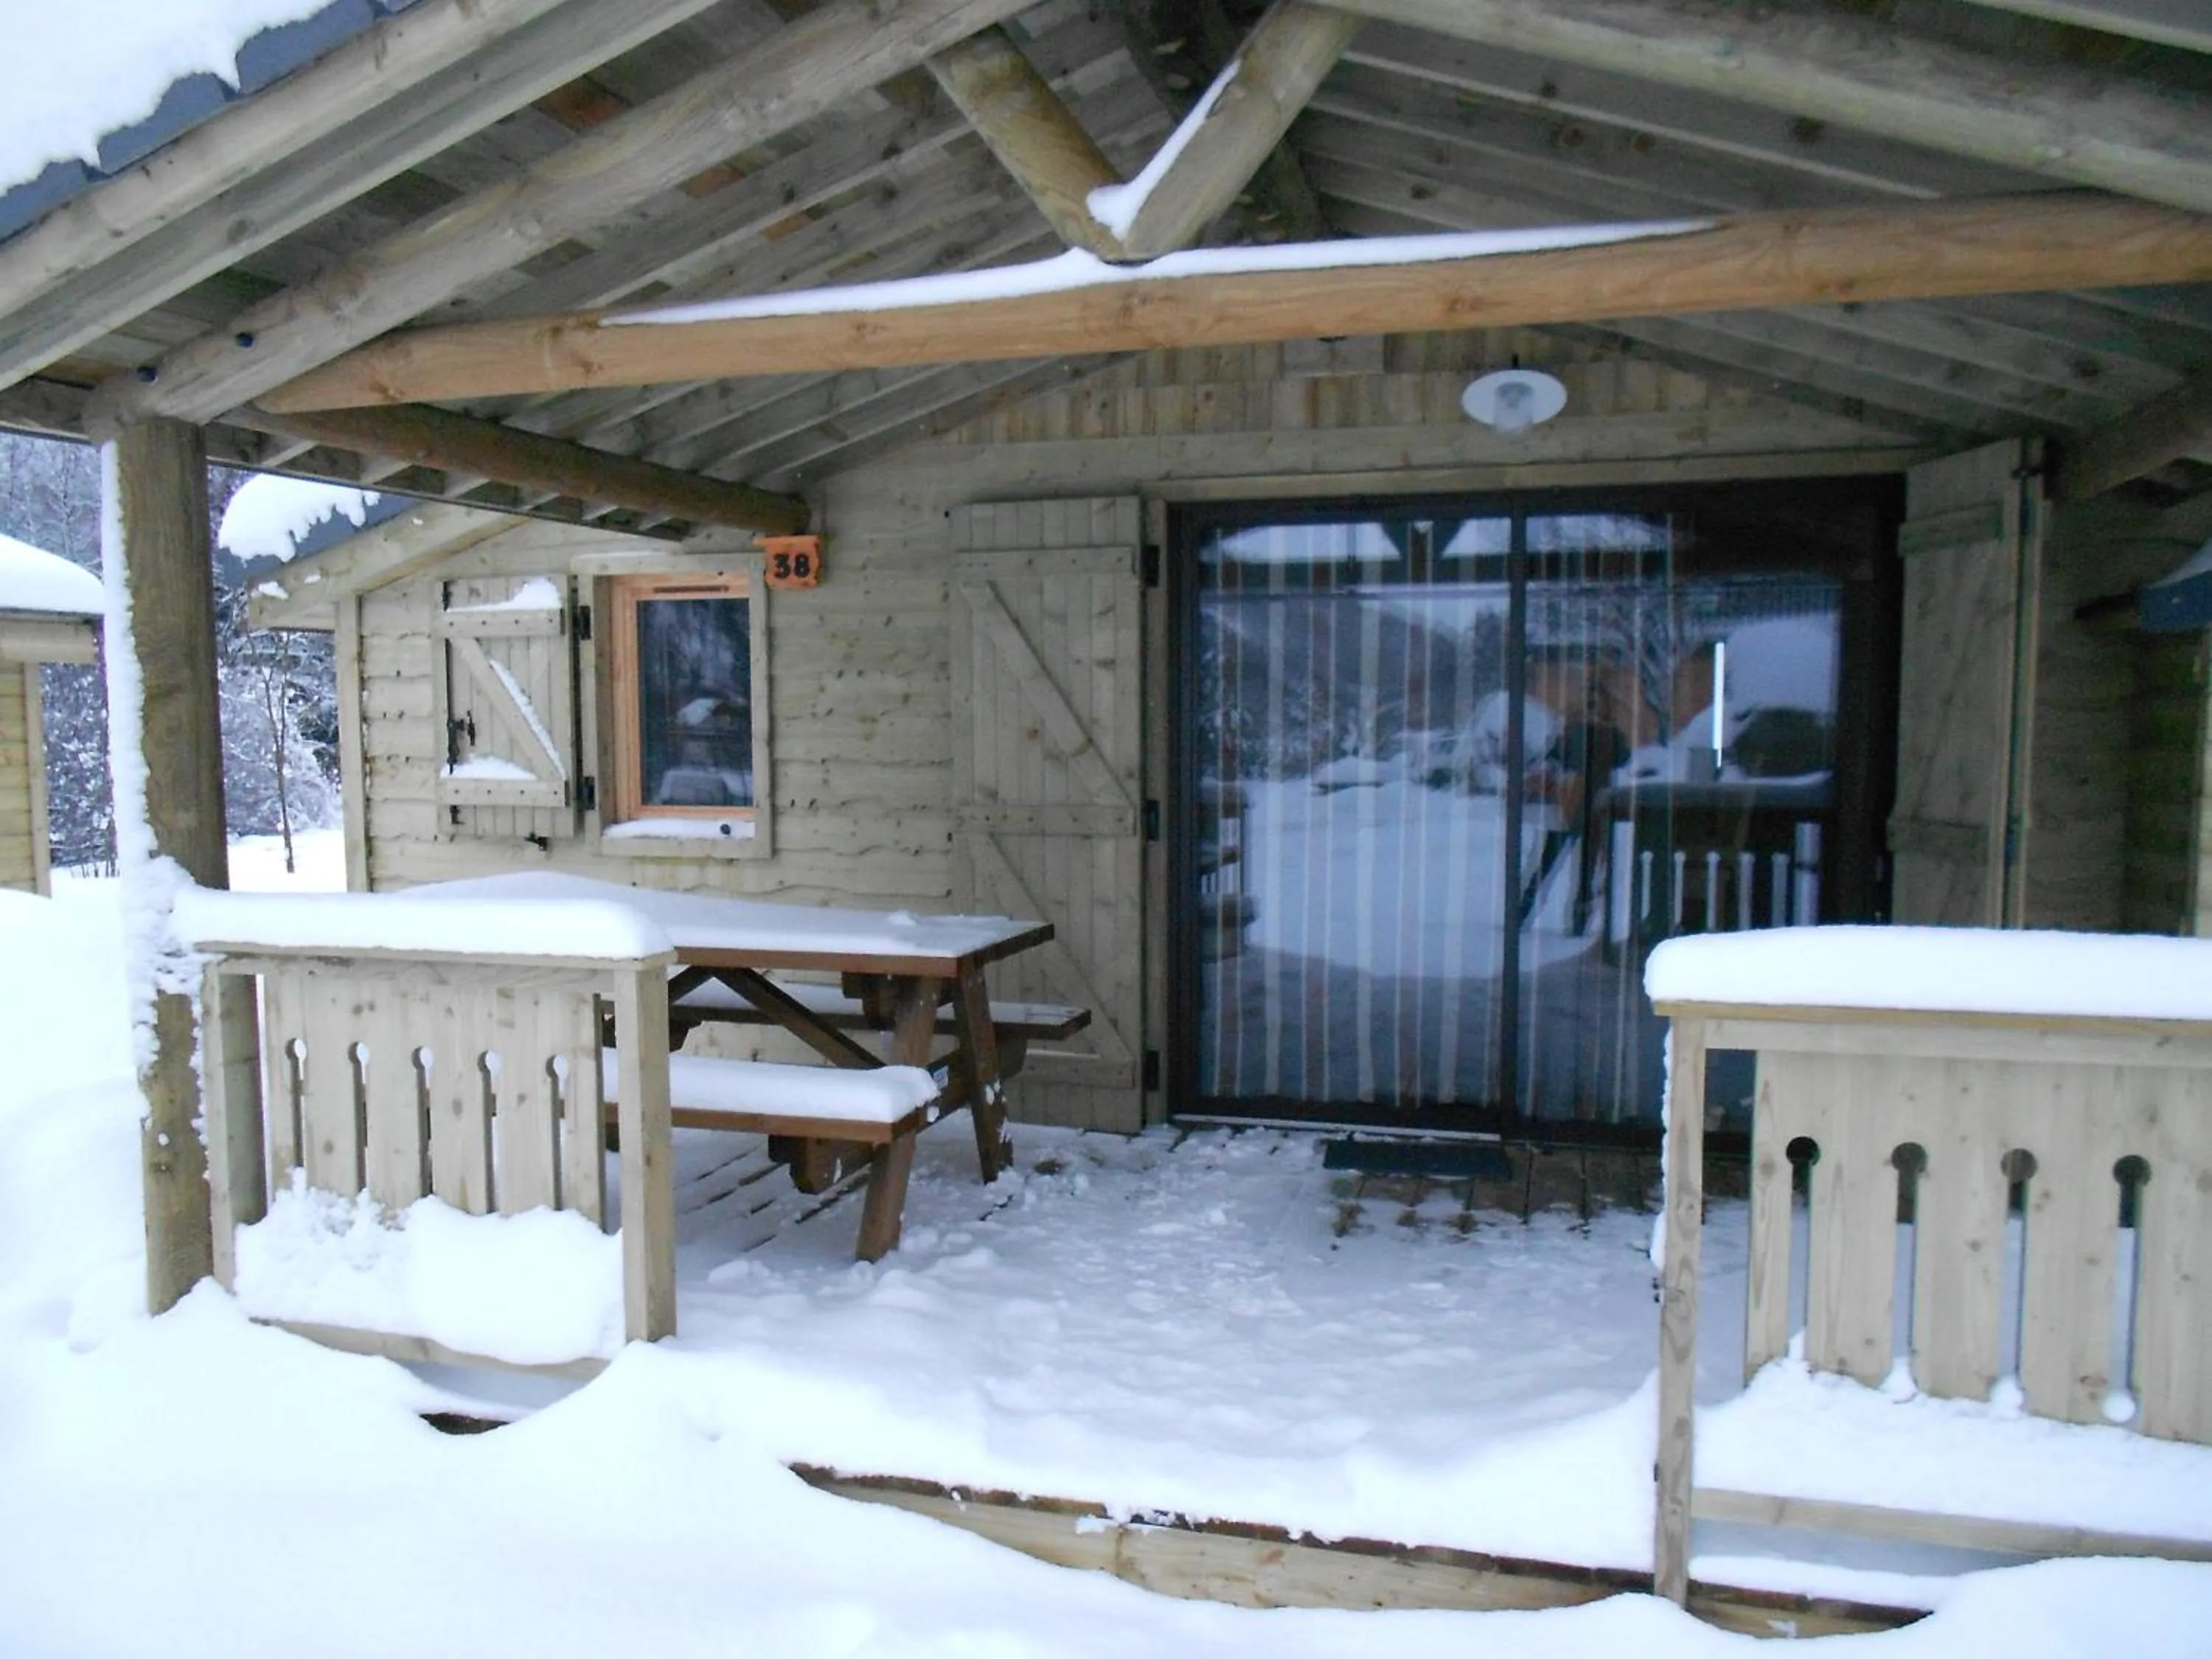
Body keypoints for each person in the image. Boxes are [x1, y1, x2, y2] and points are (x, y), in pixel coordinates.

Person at [1516, 675, 1630, 933]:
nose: (1592, 704)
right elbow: (1621, 760)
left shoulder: (1593, 733)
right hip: (1576, 806)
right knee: (1558, 865)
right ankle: (1533, 914)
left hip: (1585, 806)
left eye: (1595, 700)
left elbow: (1621, 760)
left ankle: (1533, 914)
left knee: (1567, 866)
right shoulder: (1585, 732)